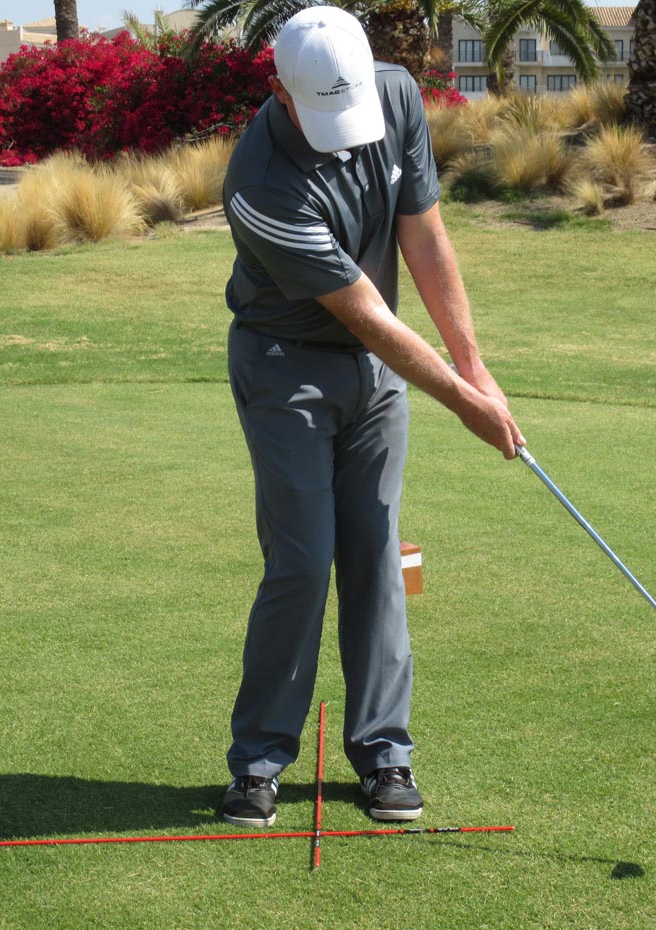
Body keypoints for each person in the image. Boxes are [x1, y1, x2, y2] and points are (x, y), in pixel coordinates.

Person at [220, 5, 523, 827]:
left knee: (378, 555)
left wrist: (474, 366)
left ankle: (386, 752)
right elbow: (366, 316)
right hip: (287, 368)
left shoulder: (394, 96)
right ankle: (258, 761)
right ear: (281, 91)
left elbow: (424, 237)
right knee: (301, 562)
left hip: (376, 374)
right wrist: (464, 404)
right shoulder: (259, 184)